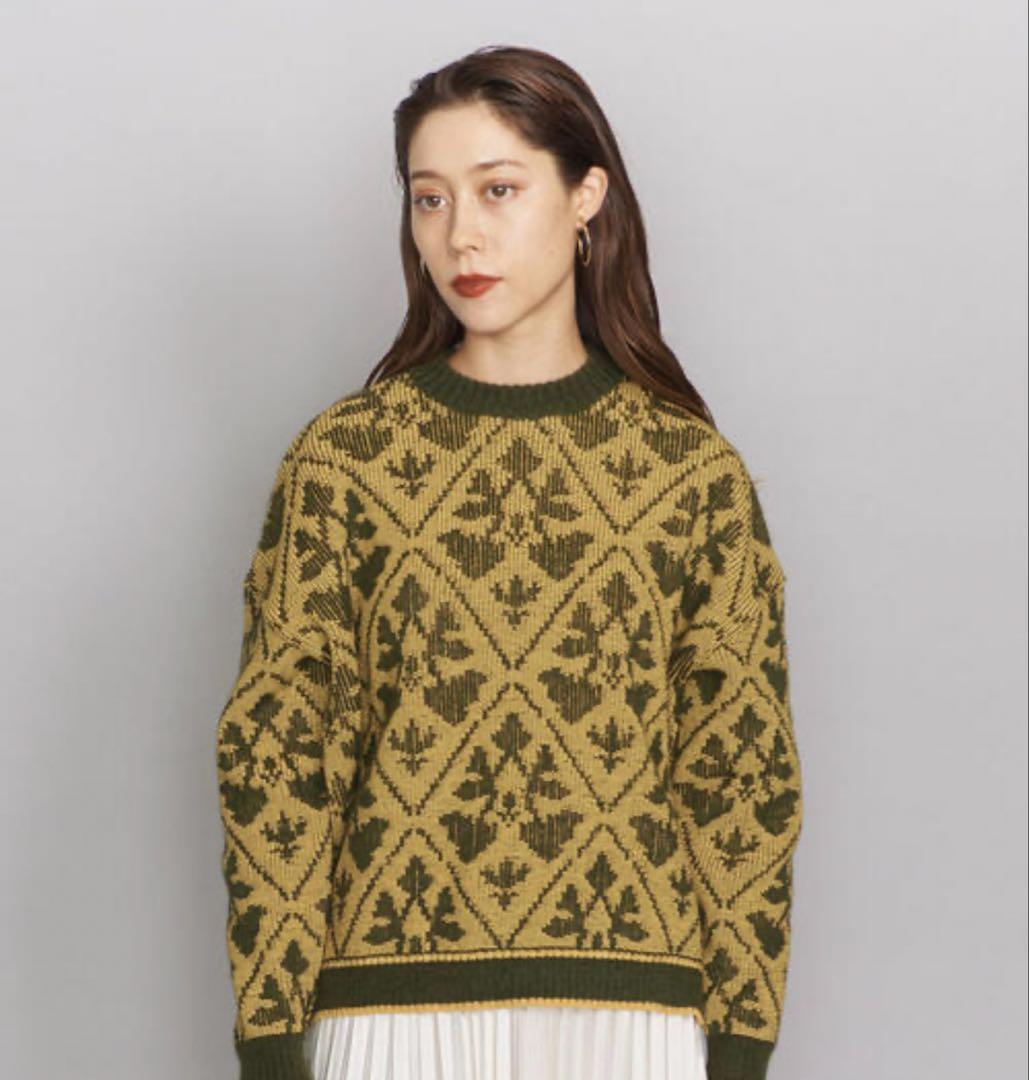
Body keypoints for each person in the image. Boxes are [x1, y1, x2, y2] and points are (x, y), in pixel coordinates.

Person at [215, 44, 804, 1080]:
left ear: (586, 197)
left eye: (497, 189)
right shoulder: (344, 463)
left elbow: (739, 770)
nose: (460, 236)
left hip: (634, 1017)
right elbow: (280, 758)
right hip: (391, 1015)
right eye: (429, 199)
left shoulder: (688, 474)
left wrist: (741, 1042)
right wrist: (270, 1037)